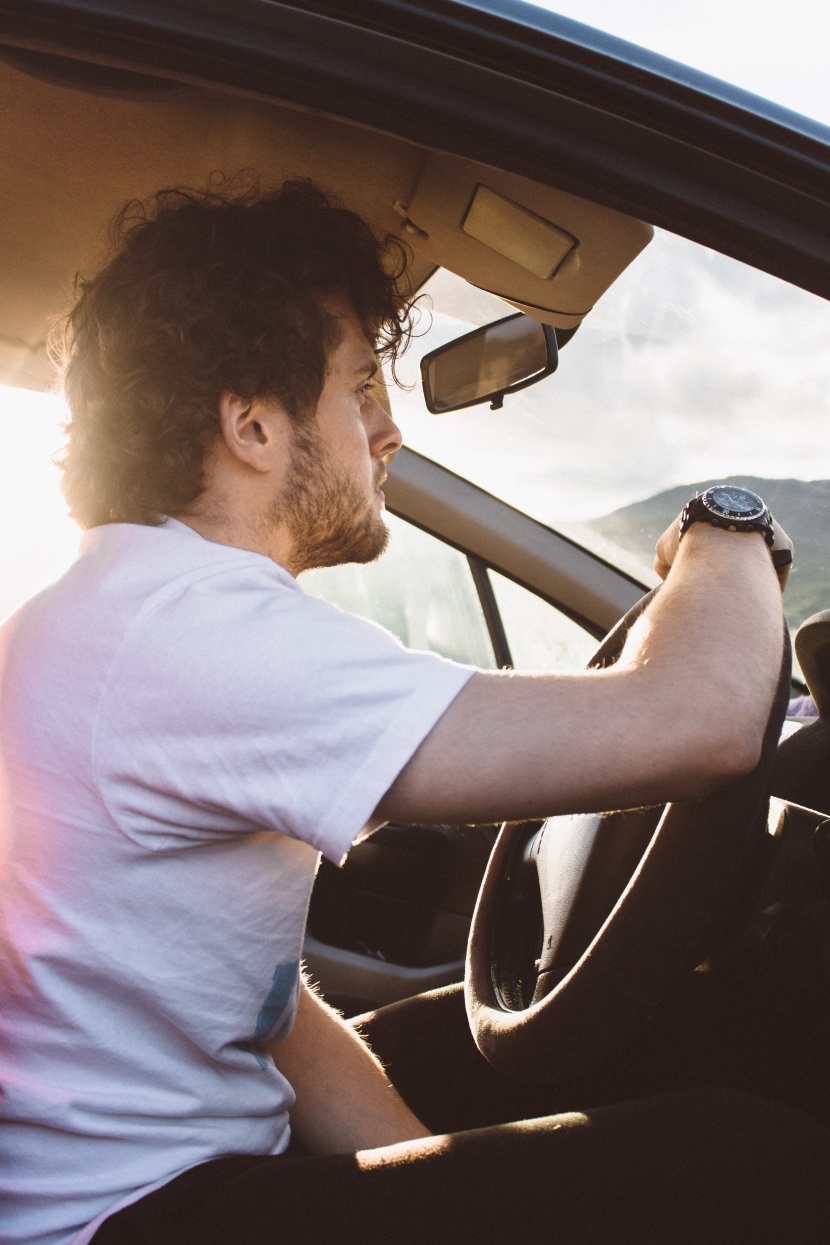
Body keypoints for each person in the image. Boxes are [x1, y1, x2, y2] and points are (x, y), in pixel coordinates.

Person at [0, 179, 826, 1245]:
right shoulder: (187, 626)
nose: (388, 431)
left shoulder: (121, 607)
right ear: (251, 425)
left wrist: (428, 1171)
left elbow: (267, 1013)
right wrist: (727, 525)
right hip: (126, 1218)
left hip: (148, 1182)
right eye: (357, 392)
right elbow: (699, 723)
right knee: (745, 1161)